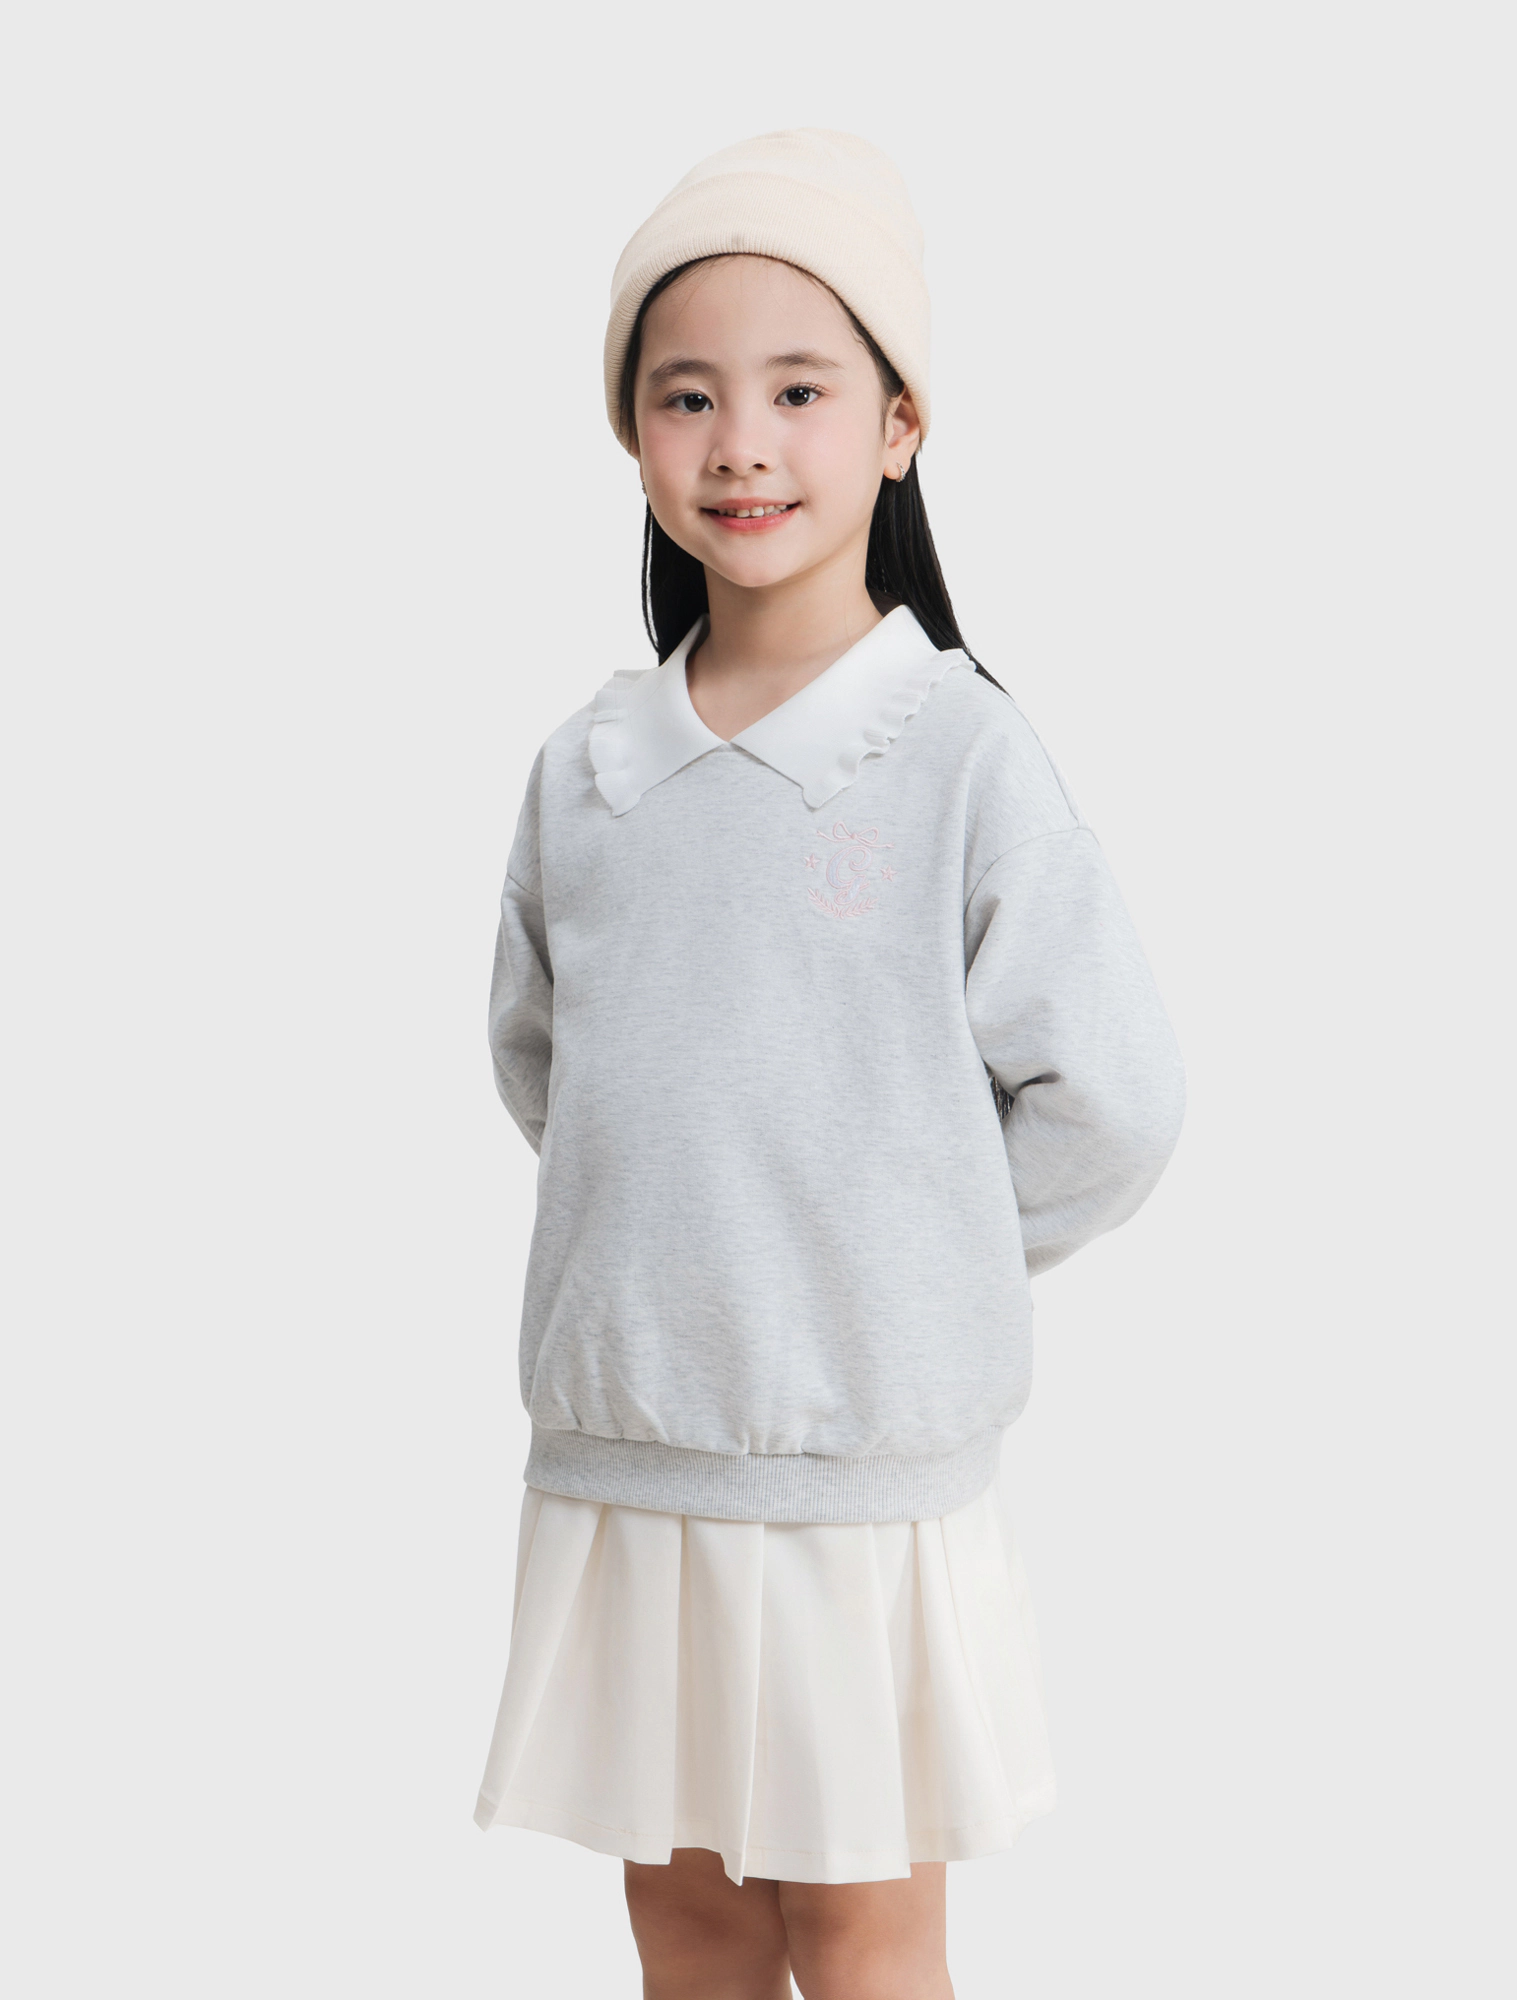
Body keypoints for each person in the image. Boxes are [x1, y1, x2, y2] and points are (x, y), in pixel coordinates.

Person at [474, 129, 1185, 2000]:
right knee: (687, 1918)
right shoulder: (588, 771)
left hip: (858, 1484)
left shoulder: (957, 755)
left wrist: (904, 1252)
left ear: (898, 423)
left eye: (800, 391)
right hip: (631, 1464)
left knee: (863, 1926)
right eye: (686, 395)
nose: (742, 445)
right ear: (632, 431)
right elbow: (552, 1064)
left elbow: (1114, 1100)